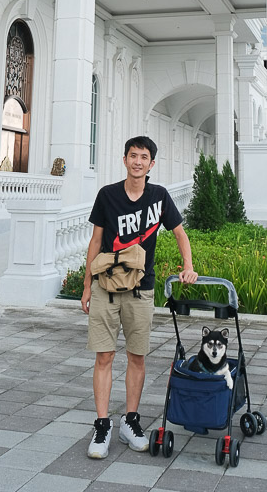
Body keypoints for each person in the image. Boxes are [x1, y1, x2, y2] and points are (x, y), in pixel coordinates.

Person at [81, 135, 197, 459]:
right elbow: (95, 242)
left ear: (151, 164)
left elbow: (180, 233)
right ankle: (102, 425)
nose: (137, 161)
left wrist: (188, 266)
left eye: (143, 157)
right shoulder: (107, 196)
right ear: (125, 159)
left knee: (137, 357)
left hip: (141, 290)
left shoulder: (159, 196)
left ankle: (130, 422)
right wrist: (87, 285)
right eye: (133, 156)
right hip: (106, 287)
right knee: (104, 357)